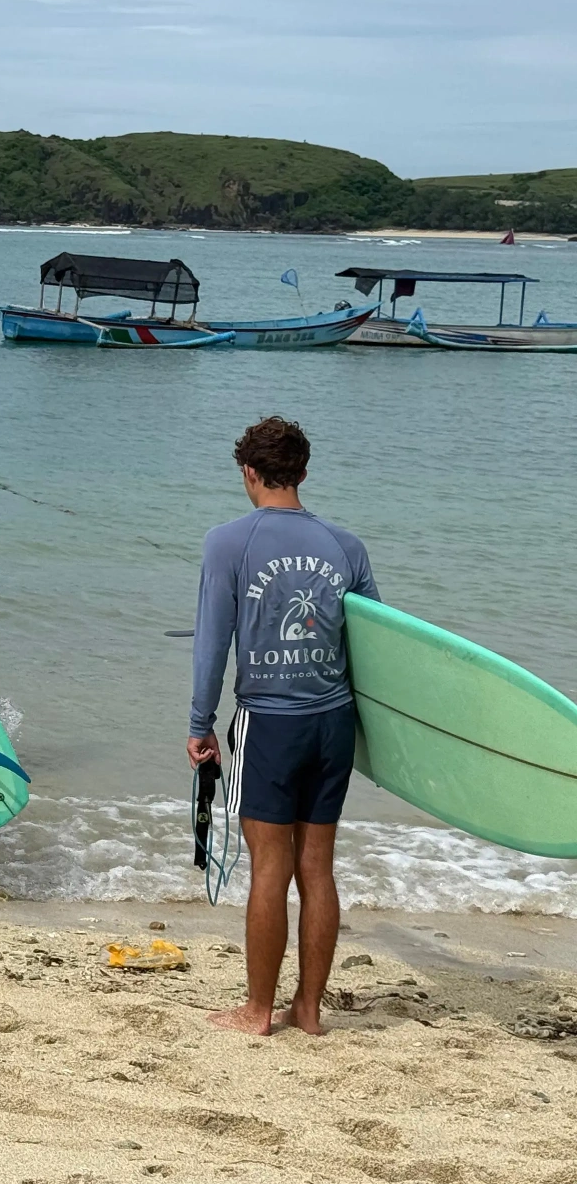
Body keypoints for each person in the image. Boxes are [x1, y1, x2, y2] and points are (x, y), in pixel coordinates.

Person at [188, 417, 379, 1037]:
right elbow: (381, 648)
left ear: (249, 472)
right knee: (317, 866)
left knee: (270, 866)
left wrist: (200, 723)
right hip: (334, 722)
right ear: (302, 471)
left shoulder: (227, 542)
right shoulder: (346, 547)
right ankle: (310, 1010)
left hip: (269, 725)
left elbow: (213, 644)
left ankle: (257, 1011)